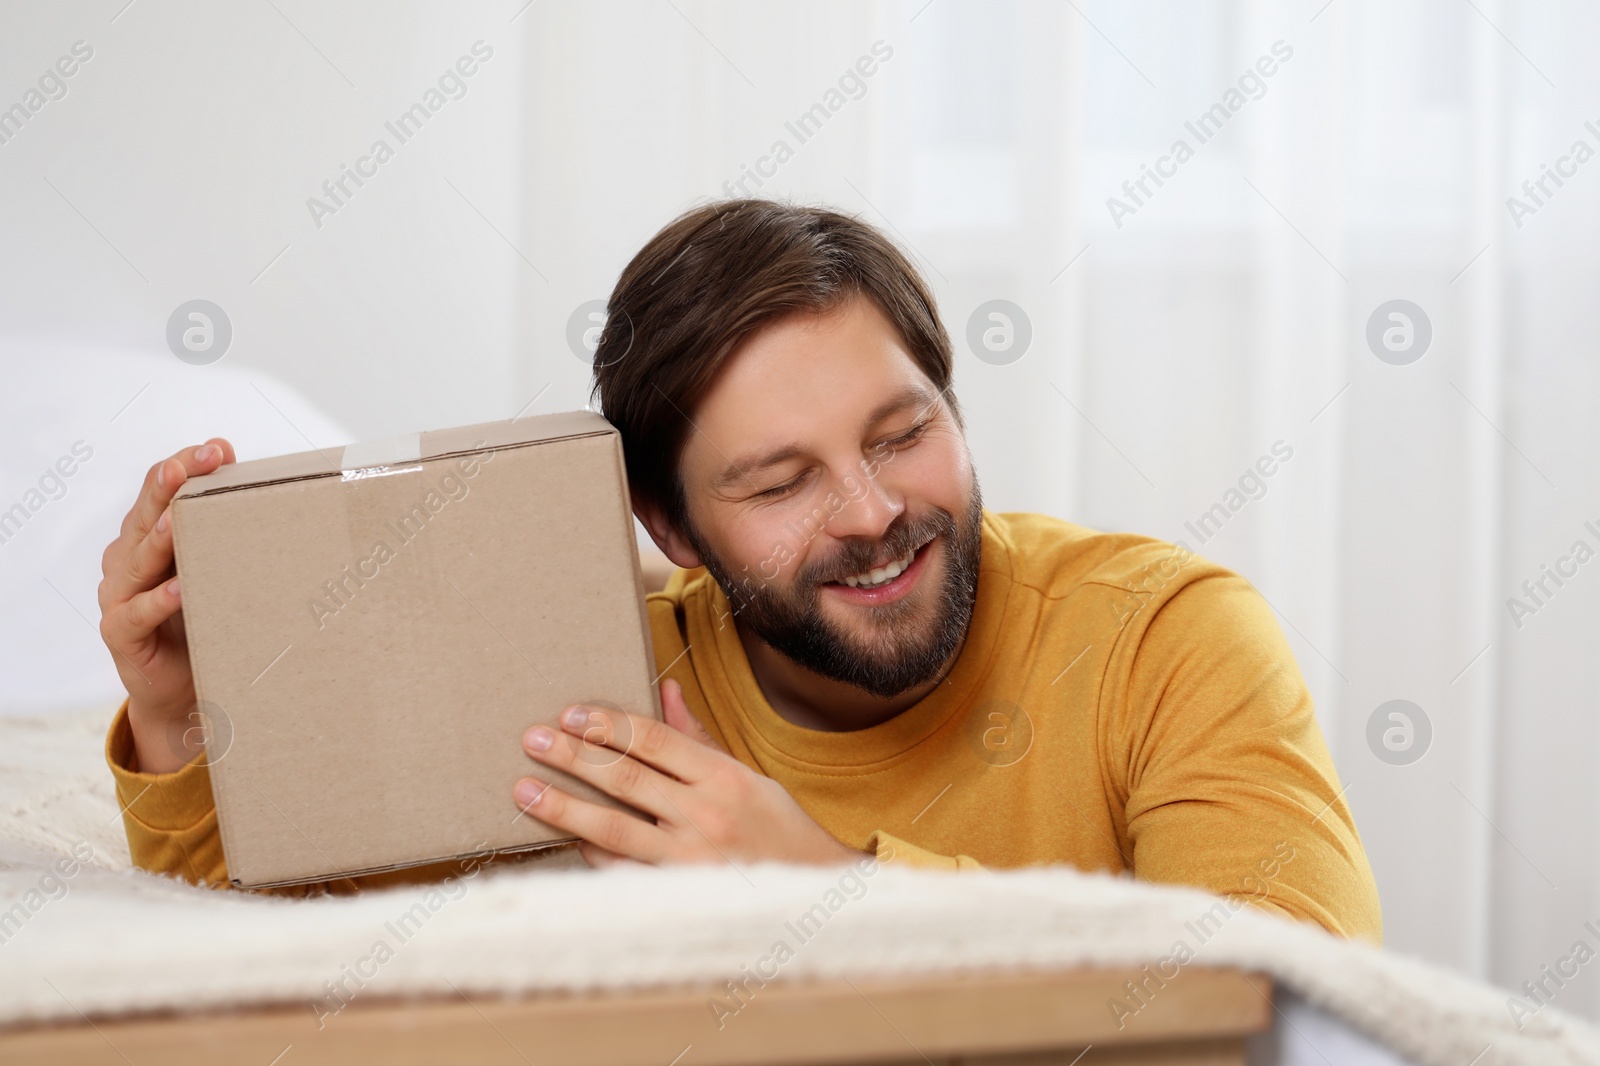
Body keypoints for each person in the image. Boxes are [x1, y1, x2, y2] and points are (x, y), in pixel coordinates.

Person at [97, 199, 1381, 942]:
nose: (876, 513)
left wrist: (832, 896)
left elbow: (1299, 1006)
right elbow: (269, 961)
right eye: (778, 485)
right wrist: (175, 714)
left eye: (904, 434)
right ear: (670, 530)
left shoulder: (1166, 637)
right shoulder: (604, 679)